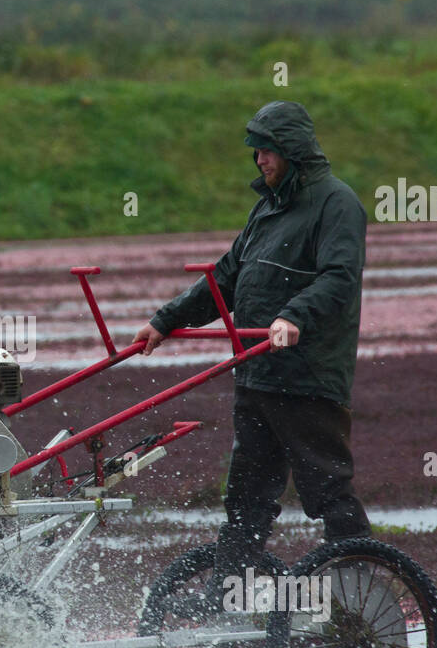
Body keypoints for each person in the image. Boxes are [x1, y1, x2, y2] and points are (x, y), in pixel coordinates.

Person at [133, 100, 370, 606]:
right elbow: (225, 277)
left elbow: (339, 277)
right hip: (257, 374)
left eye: (267, 150)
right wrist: (165, 319)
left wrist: (293, 317)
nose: (259, 159)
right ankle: (226, 601)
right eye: (256, 151)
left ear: (292, 151)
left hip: (307, 378)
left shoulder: (337, 204)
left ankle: (365, 601)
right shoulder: (267, 208)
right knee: (246, 500)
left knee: (328, 493)